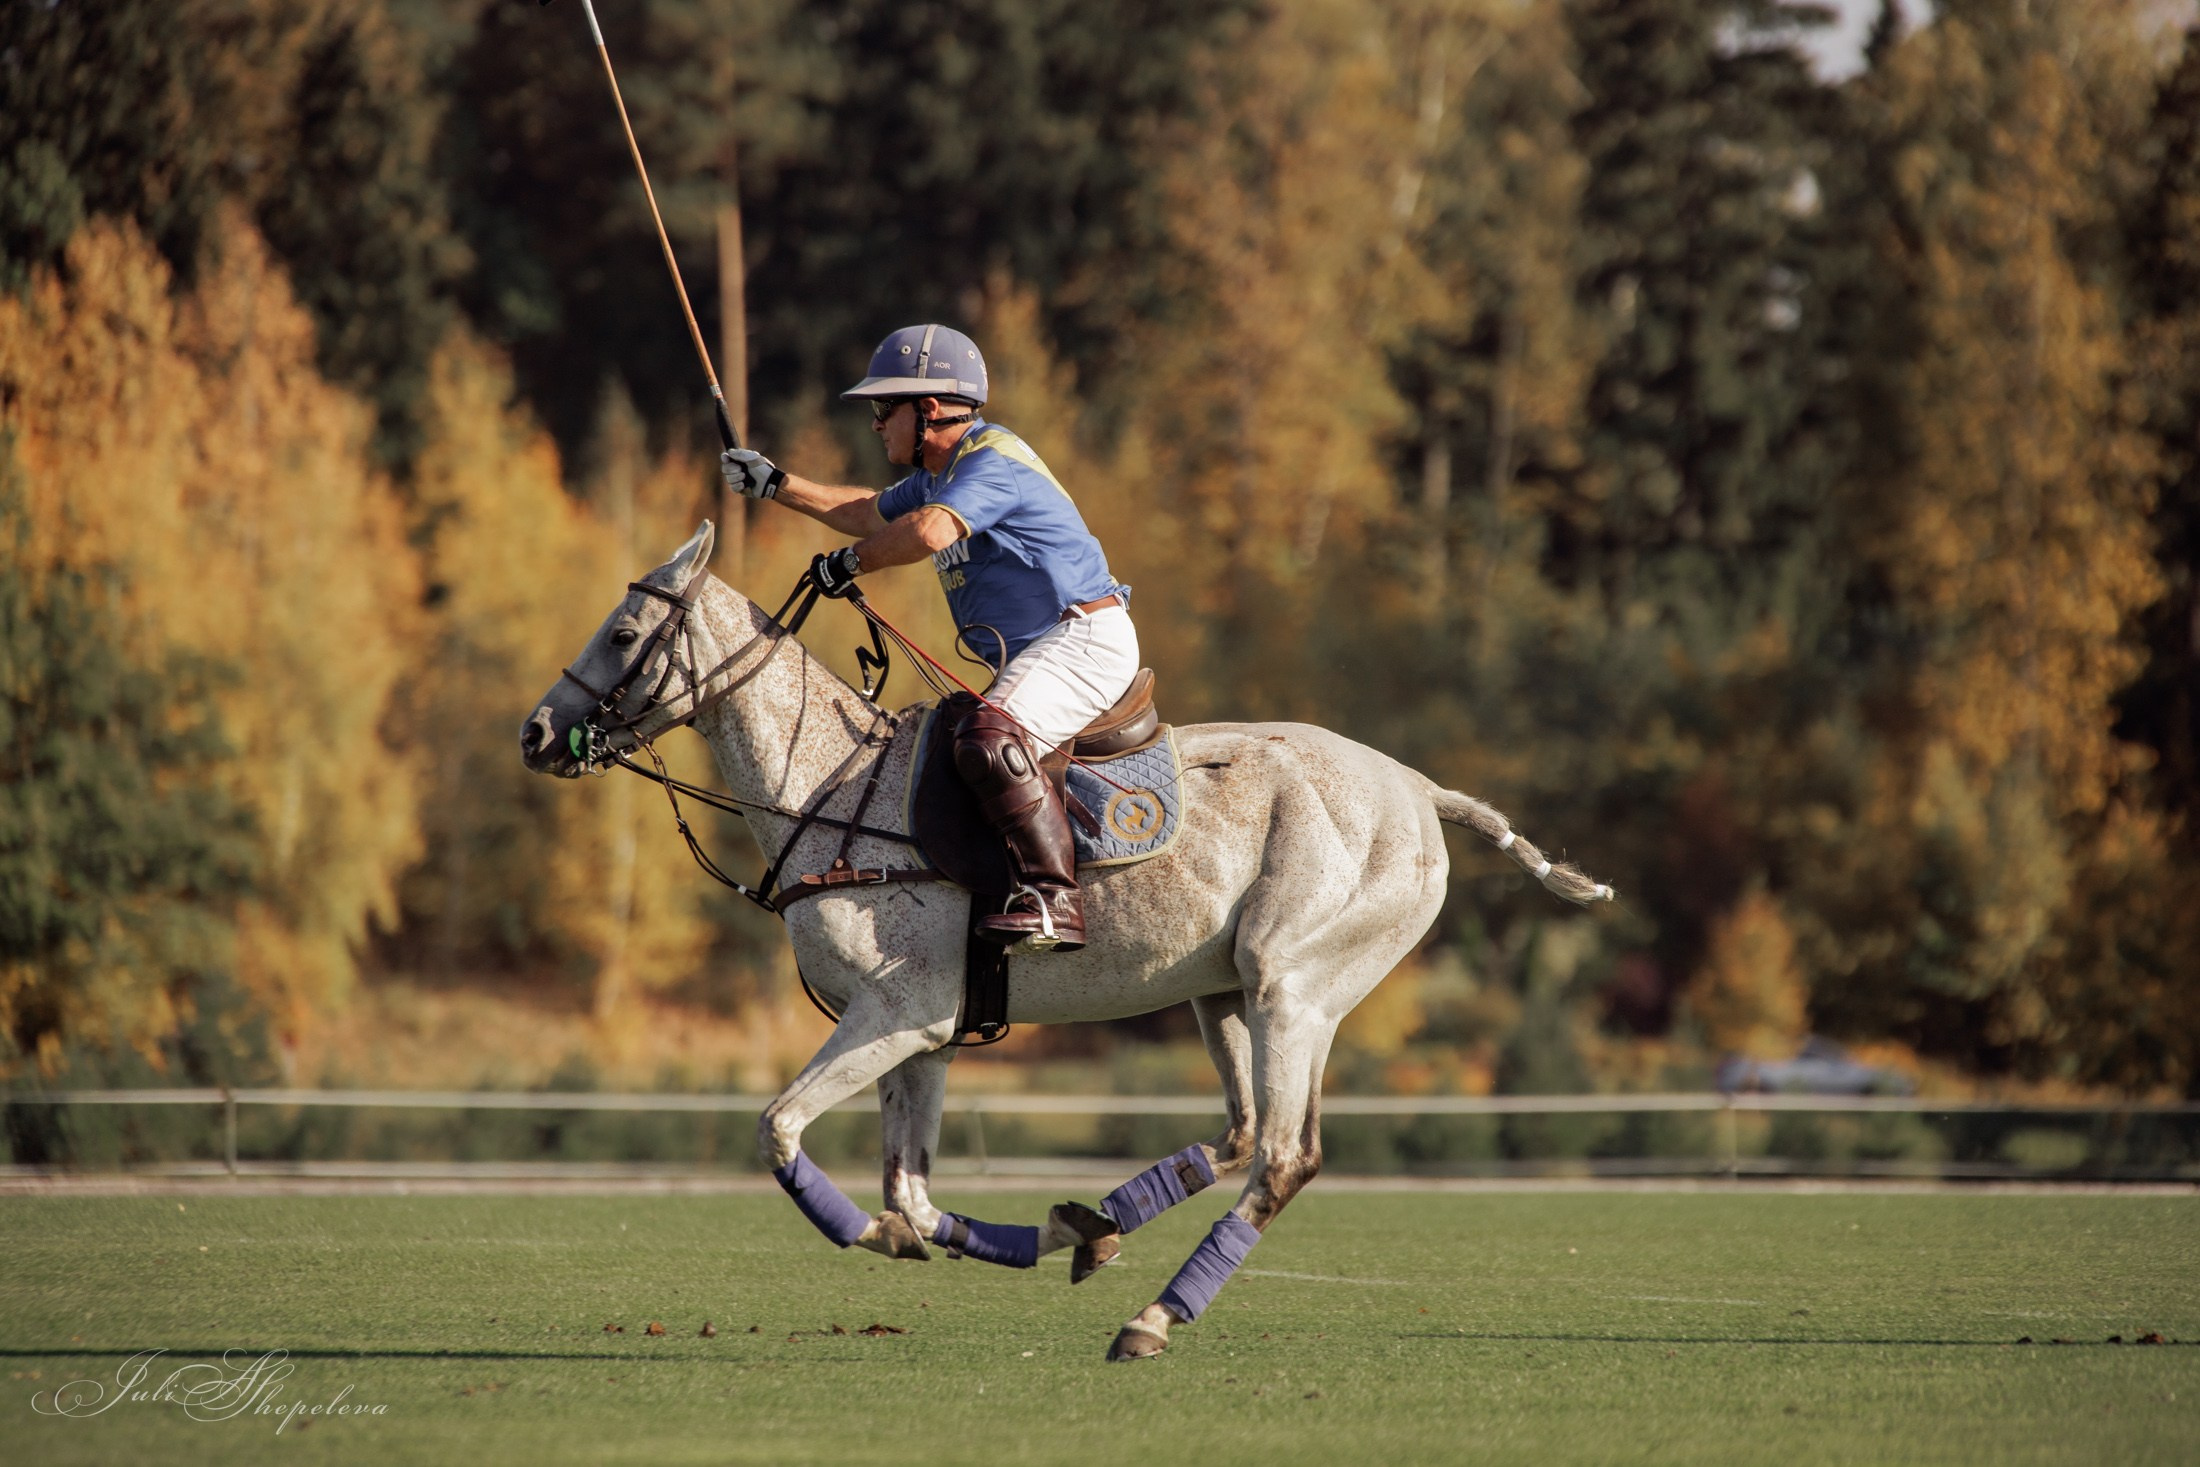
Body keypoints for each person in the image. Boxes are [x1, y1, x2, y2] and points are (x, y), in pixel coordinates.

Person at [720, 324, 1134, 952]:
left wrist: (852, 564)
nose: (877, 423)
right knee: (950, 744)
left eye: (886, 409)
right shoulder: (945, 473)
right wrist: (776, 483)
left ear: (929, 409)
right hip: (1048, 647)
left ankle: (1054, 901)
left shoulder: (992, 461)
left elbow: (932, 531)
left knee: (989, 737)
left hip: (1083, 637)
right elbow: (867, 510)